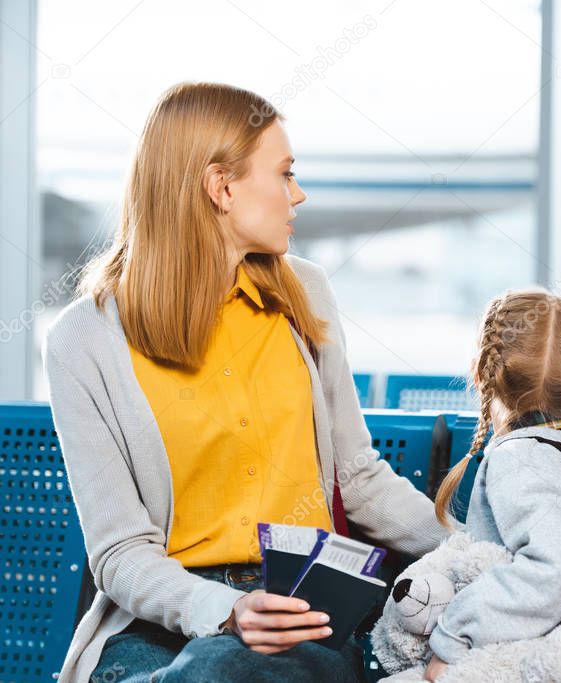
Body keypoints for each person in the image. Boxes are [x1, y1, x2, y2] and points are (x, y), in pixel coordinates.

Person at [43, 82, 449, 683]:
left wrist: (473, 555)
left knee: (236, 671)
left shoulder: (304, 295)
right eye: (285, 174)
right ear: (222, 187)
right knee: (221, 668)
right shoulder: (85, 340)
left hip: (300, 609)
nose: (298, 194)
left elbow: (359, 480)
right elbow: (121, 553)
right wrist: (225, 610)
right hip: (163, 624)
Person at [420, 290, 561, 681]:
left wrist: (453, 637)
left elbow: (560, 563)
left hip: (522, 661)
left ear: (480, 373)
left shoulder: (522, 458)